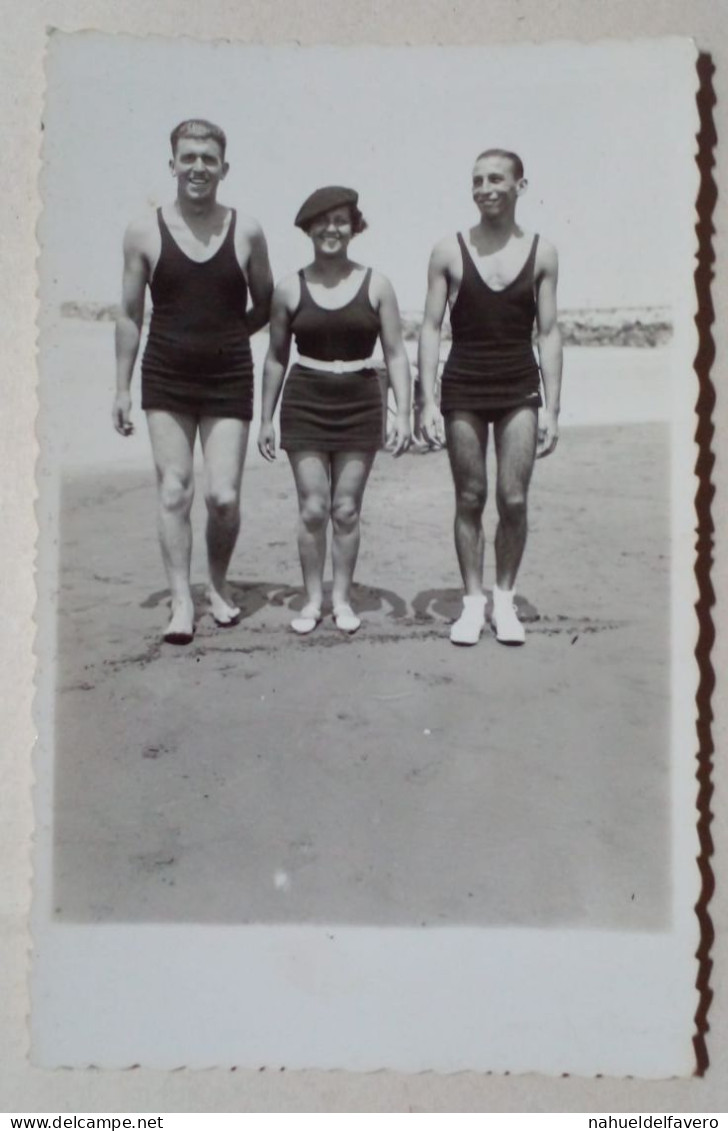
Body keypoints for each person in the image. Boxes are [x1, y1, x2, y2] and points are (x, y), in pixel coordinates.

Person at [113, 119, 273, 644]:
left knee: (223, 496)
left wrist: (230, 337)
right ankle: (181, 600)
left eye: (209, 158)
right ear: (172, 165)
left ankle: (218, 585)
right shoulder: (144, 231)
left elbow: (267, 303)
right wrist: (121, 387)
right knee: (175, 488)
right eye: (189, 157)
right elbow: (131, 315)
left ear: (224, 167)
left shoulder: (246, 230)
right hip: (166, 374)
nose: (198, 167)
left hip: (229, 376)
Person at [418, 148, 562, 646]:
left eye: (496, 178)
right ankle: (472, 604)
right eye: (477, 180)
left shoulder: (543, 252)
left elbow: (549, 332)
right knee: (471, 496)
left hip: (519, 384)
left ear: (520, 186)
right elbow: (431, 327)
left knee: (514, 497)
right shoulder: (448, 251)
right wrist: (427, 401)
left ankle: (505, 601)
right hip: (464, 385)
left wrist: (554, 408)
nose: (485, 188)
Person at [257, 186, 411, 635]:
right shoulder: (289, 288)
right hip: (305, 398)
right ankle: (311, 601)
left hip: (361, 399)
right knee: (312, 508)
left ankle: (341, 600)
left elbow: (397, 353)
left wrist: (402, 413)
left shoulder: (376, 284)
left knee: (345, 509)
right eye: (322, 221)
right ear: (308, 229)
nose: (332, 229)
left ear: (354, 227)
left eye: (341, 220)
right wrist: (264, 418)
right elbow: (274, 359)